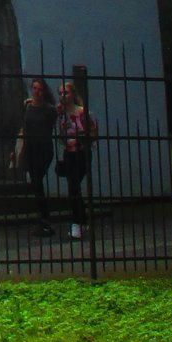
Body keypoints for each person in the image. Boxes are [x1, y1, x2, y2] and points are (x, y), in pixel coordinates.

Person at [9, 78, 56, 237]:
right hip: (30, 148)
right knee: (36, 184)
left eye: (39, 89)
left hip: (43, 148)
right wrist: (16, 150)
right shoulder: (27, 106)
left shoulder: (49, 109)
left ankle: (44, 218)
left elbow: (50, 126)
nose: (36, 92)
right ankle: (43, 218)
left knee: (37, 180)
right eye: (34, 88)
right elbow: (23, 127)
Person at [56, 81, 99, 239]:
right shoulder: (61, 114)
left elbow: (93, 133)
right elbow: (60, 135)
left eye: (65, 93)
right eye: (60, 93)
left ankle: (77, 221)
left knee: (74, 184)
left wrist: (78, 140)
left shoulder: (82, 112)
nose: (62, 96)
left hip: (82, 152)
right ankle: (80, 220)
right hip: (68, 153)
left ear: (73, 94)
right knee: (73, 187)